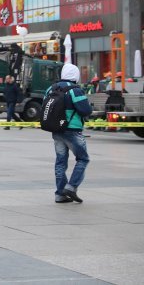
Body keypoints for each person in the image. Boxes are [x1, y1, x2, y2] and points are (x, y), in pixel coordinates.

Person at [48, 62, 93, 204]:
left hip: (56, 130)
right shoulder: (74, 90)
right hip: (72, 130)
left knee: (60, 162)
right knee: (83, 159)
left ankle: (60, 194)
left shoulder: (51, 89)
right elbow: (85, 110)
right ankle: (71, 187)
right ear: (76, 75)